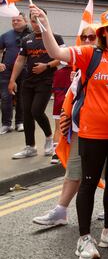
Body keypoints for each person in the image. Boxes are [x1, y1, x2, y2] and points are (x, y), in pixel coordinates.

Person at [30, 5, 108, 259]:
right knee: (89, 183)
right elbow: (55, 52)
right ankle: (83, 239)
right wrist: (45, 23)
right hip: (92, 134)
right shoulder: (90, 53)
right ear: (103, 33)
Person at [32, 24, 98, 227]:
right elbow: (72, 97)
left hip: (103, 131)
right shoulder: (78, 67)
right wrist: (65, 116)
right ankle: (61, 211)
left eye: (92, 37)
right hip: (80, 129)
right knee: (74, 170)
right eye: (84, 37)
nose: (87, 41)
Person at [9, 9, 64, 159]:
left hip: (46, 81)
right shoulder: (27, 39)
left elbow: (61, 58)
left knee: (36, 111)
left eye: (38, 19)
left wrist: (46, 66)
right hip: (28, 82)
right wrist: (12, 80)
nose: (35, 23)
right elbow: (20, 60)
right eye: (33, 20)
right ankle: (30, 147)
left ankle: (48, 138)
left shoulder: (55, 37)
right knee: (26, 113)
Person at [0, 13, 31, 133]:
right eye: (13, 21)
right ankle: (6, 124)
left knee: (22, 97)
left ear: (25, 21)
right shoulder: (6, 36)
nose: (15, 22)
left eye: (18, 20)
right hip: (6, 71)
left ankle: (20, 122)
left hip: (25, 71)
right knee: (5, 97)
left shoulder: (31, 35)